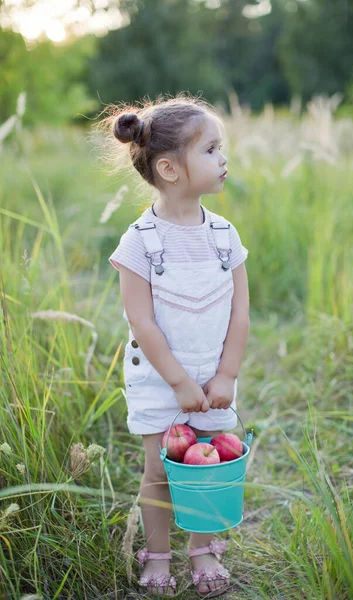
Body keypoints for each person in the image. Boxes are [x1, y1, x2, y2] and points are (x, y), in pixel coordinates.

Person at [105, 94, 250, 597]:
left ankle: (204, 547)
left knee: (209, 463)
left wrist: (226, 374)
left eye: (220, 148)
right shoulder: (139, 243)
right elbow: (141, 322)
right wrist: (179, 383)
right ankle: (158, 554)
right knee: (160, 470)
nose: (223, 159)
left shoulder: (226, 236)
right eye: (210, 150)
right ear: (169, 168)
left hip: (213, 378)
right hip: (160, 378)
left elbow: (240, 312)